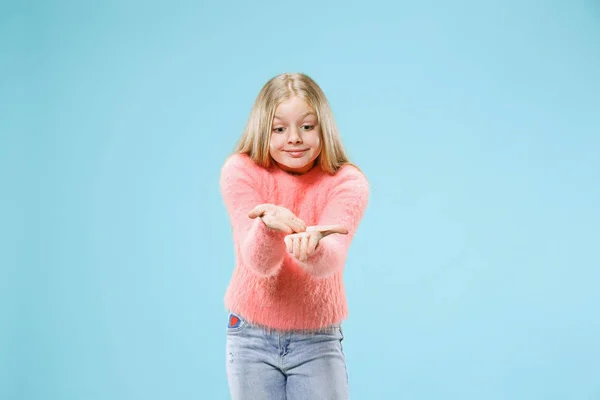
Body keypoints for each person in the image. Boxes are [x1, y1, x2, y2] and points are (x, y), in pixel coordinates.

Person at [219, 72, 369, 399]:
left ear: (322, 128)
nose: (294, 138)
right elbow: (258, 263)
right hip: (249, 337)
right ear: (263, 130)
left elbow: (331, 258)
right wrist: (268, 228)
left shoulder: (347, 181)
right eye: (279, 128)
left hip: (317, 339)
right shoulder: (240, 171)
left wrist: (313, 247)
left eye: (306, 126)